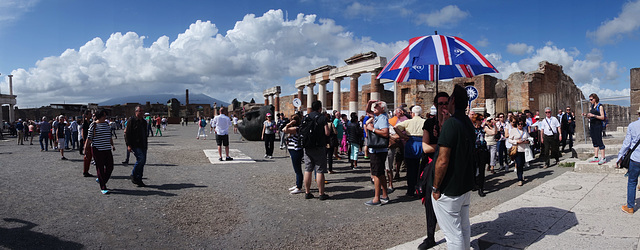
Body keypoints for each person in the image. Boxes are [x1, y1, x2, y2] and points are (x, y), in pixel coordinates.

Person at [430, 85, 476, 249]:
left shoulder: (452, 124)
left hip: (449, 189)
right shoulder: (467, 122)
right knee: (464, 229)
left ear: (453, 101)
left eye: (448, 100)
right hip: (464, 186)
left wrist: (435, 187)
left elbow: (442, 160)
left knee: (453, 236)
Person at [418, 91, 449, 250]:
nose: (443, 106)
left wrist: (445, 127)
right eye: (440, 103)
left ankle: (451, 233)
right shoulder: (429, 123)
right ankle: (430, 236)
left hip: (449, 166)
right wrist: (443, 147)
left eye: (446, 103)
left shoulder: (453, 123)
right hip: (432, 166)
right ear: (436, 105)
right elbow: (425, 147)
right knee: (430, 202)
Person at [301, 100, 331, 200]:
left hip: (308, 146)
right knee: (320, 170)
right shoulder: (322, 117)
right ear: (320, 108)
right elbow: (327, 132)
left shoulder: (306, 117)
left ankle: (307, 192)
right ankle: (321, 194)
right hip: (319, 146)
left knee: (308, 169)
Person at [363, 100, 391, 206]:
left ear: (382, 108)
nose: (374, 107)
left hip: (378, 150)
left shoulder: (382, 118)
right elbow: (367, 111)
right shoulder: (378, 116)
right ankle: (384, 195)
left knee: (376, 174)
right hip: (376, 149)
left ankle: (376, 198)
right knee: (380, 173)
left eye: (377, 106)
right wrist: (370, 102)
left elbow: (385, 133)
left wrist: (373, 129)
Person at [394, 105, 426, 197]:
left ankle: (410, 190)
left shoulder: (408, 122)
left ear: (412, 113)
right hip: (421, 143)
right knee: (421, 168)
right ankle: (420, 189)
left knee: (411, 169)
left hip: (411, 143)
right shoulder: (425, 122)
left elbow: (396, 127)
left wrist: (403, 136)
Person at [86, 109, 116, 194]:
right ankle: (103, 187)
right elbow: (89, 138)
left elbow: (109, 136)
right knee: (100, 168)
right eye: (103, 115)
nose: (105, 117)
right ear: (99, 116)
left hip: (107, 149)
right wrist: (86, 149)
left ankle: (101, 180)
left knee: (110, 167)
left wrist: (112, 145)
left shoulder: (107, 124)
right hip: (97, 149)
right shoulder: (94, 125)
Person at [618, 106, 640, 214]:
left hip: (636, 158)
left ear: (638, 114)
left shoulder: (633, 126)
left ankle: (630, 207)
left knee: (632, 182)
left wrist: (620, 156)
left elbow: (627, 143)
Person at [126, 105, 149, 187]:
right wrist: (128, 145)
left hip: (143, 144)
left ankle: (139, 179)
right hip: (135, 144)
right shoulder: (131, 121)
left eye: (142, 111)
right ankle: (133, 174)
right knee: (141, 159)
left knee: (142, 162)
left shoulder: (144, 122)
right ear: (136, 112)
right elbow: (127, 133)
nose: (142, 112)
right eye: (140, 111)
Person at [283, 113, 304, 194]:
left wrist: (289, 124)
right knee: (296, 169)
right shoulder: (295, 128)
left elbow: (284, 130)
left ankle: (299, 187)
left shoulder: (296, 128)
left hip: (296, 150)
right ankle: (297, 184)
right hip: (293, 149)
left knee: (297, 169)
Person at [583, 93, 606, 165]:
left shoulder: (600, 106)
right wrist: (586, 115)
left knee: (599, 140)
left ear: (595, 99)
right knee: (594, 141)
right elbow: (591, 116)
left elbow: (602, 117)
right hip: (592, 125)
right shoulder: (592, 106)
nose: (590, 101)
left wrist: (594, 115)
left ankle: (603, 157)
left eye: (591, 99)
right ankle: (596, 156)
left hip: (598, 125)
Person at [508, 117, 532, 186]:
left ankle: (521, 175)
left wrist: (527, 141)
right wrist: (516, 142)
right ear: (516, 124)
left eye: (521, 124)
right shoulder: (513, 130)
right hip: (517, 149)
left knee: (522, 164)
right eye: (519, 124)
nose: (520, 125)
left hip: (524, 149)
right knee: (518, 164)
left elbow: (529, 137)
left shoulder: (524, 130)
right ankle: (519, 179)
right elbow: (509, 140)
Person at [472, 113, 488, 197]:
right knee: (474, 169)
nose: (481, 121)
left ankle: (481, 188)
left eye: (481, 120)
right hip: (474, 151)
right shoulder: (471, 129)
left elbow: (493, 132)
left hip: (482, 150)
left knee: (482, 170)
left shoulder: (483, 129)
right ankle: (474, 184)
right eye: (479, 120)